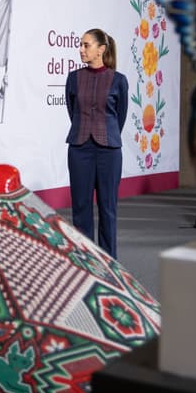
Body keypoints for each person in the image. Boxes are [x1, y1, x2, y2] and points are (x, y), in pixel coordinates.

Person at [65, 28, 128, 258]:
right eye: (80, 45)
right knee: (80, 208)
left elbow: (120, 116)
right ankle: (86, 260)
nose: (81, 49)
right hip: (79, 149)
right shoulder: (73, 78)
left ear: (101, 49)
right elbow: (72, 111)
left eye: (86, 45)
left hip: (109, 151)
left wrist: (106, 134)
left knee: (107, 208)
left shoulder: (119, 80)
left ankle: (109, 262)